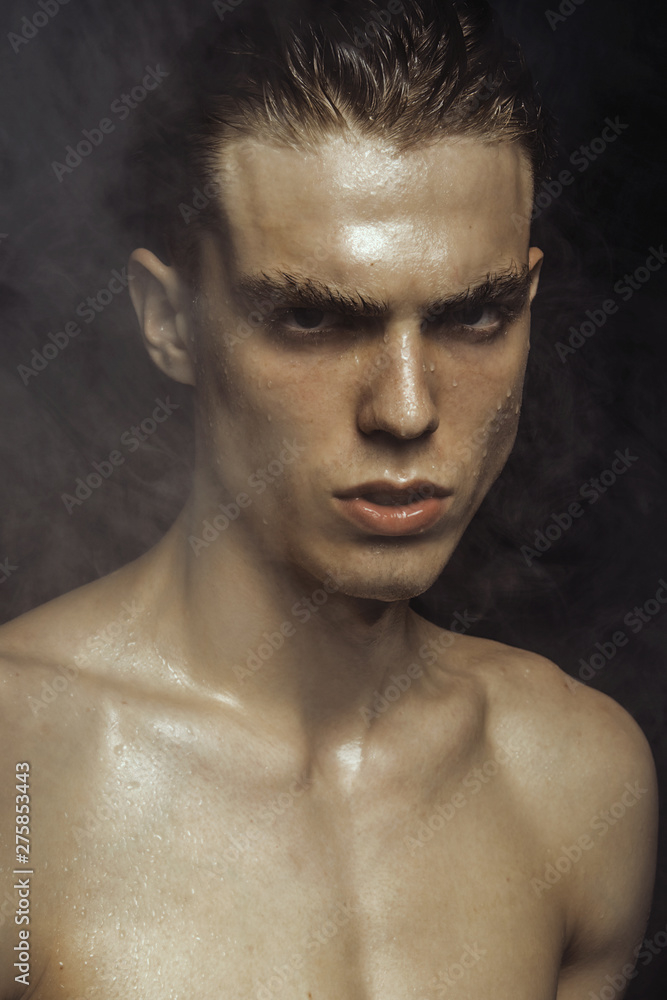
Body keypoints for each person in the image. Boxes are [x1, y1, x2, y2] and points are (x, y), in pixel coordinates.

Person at [0, 1, 657, 997]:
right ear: (171, 323)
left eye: (472, 316)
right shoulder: (17, 766)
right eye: (311, 316)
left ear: (526, 301)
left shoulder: (578, 780)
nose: (405, 407)